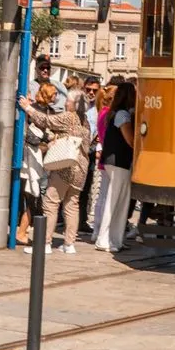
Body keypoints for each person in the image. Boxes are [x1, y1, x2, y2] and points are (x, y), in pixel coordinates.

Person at [18, 88, 90, 254]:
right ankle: (69, 244)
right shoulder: (84, 121)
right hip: (81, 170)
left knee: (50, 203)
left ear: (73, 104)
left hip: (66, 166)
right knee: (72, 206)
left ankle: (45, 243)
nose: (65, 103)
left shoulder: (69, 117)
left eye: (68, 101)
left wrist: (27, 107)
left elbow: (46, 121)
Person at [95, 79, 136, 254]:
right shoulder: (122, 115)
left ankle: (116, 239)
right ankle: (104, 239)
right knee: (115, 201)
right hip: (119, 162)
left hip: (117, 162)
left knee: (120, 200)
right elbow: (131, 141)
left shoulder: (115, 113)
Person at [15, 81, 52, 245]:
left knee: (33, 196)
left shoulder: (41, 109)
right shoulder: (35, 110)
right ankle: (22, 232)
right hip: (31, 159)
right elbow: (32, 136)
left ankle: (23, 231)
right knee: (33, 196)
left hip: (35, 159)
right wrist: (48, 138)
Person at [79, 74, 102, 236]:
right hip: (77, 150)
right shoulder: (78, 105)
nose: (91, 93)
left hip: (91, 151)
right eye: (89, 89)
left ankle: (82, 220)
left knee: (86, 187)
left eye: (95, 90)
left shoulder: (98, 108)